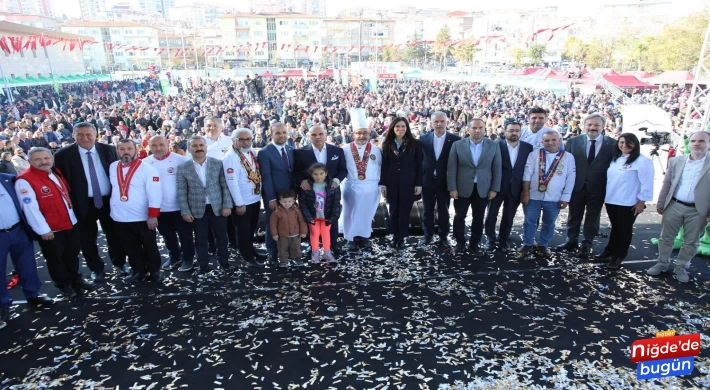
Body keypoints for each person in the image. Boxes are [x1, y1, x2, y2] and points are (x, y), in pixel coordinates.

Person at [14, 147, 95, 298]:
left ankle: (76, 280)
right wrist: (43, 230)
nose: (44, 162)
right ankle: (64, 285)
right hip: (51, 229)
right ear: (30, 161)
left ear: (52, 159)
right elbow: (30, 209)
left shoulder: (55, 172)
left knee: (72, 255)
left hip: (70, 223)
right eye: (38, 159)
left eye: (46, 158)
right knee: (56, 259)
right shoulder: (25, 180)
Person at [54, 122, 129, 281]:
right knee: (87, 238)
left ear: (96, 135)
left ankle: (120, 263)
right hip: (82, 203)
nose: (85, 138)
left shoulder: (109, 150)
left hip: (109, 200)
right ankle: (96, 268)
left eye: (89, 134)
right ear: (73, 136)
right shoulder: (62, 155)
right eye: (80, 135)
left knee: (114, 234)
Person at [647, 131, 710, 283]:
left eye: (701, 141)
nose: (696, 144)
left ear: (708, 143)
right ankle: (661, 264)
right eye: (694, 141)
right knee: (665, 238)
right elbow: (667, 183)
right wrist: (661, 203)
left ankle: (681, 267)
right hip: (674, 205)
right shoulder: (676, 161)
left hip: (699, 210)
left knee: (691, 242)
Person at [556, 113, 615, 258]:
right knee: (573, 216)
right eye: (589, 125)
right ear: (584, 126)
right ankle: (571, 241)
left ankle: (587, 243)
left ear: (603, 127)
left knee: (593, 218)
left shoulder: (613, 144)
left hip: (598, 188)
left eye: (596, 125)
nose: (592, 128)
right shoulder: (573, 141)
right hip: (576, 186)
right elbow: (565, 164)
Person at [1, 171, 54, 324]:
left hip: (18, 230)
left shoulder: (8, 179)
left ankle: (33, 293)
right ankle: (3, 304)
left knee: (27, 264)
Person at [109, 140, 164, 283]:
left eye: (129, 148)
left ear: (136, 150)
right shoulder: (113, 166)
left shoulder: (147, 168)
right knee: (130, 247)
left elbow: (155, 193)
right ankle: (138, 271)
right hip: (120, 217)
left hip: (142, 216)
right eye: (122, 149)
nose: (125, 152)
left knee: (149, 245)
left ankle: (154, 271)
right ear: (117, 151)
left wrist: (153, 215)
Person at [177, 136, 233, 273]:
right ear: (189, 149)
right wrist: (185, 211)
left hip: (218, 207)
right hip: (196, 209)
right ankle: (203, 265)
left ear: (206, 147)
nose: (199, 148)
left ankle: (224, 262)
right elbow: (182, 191)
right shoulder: (183, 168)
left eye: (201, 145)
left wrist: (227, 205)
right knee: (201, 239)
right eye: (195, 146)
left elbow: (224, 186)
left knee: (222, 238)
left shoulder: (217, 163)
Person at [597, 133, 654, 269]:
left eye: (629, 143)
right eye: (622, 142)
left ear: (635, 145)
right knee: (615, 227)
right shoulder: (615, 159)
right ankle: (610, 250)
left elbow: (647, 183)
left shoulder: (642, 161)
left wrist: (641, 201)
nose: (625, 146)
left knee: (624, 229)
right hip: (612, 199)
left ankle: (619, 255)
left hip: (628, 202)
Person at [447, 118, 502, 255]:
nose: (477, 131)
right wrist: (452, 188)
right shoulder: (458, 145)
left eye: (480, 128)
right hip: (462, 188)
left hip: (483, 188)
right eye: (474, 128)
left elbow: (497, 168)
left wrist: (494, 188)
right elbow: (451, 168)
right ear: (468, 129)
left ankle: (474, 244)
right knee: (459, 217)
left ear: (485, 129)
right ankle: (460, 243)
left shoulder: (493, 145)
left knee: (479, 217)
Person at [519, 130, 576, 256]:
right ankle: (528, 243)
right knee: (529, 221)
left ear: (559, 140)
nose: (550, 143)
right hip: (533, 196)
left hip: (555, 198)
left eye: (553, 140)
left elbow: (571, 179)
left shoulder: (568, 157)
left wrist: (565, 197)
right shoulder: (534, 155)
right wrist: (525, 194)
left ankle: (543, 244)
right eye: (547, 140)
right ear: (542, 142)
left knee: (549, 223)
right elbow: (527, 175)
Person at [294, 125, 347, 253]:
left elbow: (343, 170)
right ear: (309, 136)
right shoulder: (300, 152)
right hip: (309, 193)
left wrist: (336, 180)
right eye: (314, 135)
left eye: (320, 134)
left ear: (325, 135)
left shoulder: (337, 151)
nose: (317, 137)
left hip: (331, 191)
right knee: (310, 219)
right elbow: (295, 171)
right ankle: (312, 246)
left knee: (331, 218)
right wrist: (302, 180)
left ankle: (332, 244)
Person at [144, 135, 194, 271]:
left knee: (185, 235)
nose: (158, 148)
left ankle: (188, 258)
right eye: (154, 145)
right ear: (149, 146)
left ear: (168, 144)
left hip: (180, 207)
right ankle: (174, 257)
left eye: (161, 144)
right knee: (167, 234)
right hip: (159, 209)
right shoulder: (145, 163)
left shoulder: (181, 160)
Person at [484, 121, 533, 252]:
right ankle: (490, 239)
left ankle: (503, 240)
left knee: (509, 216)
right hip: (497, 187)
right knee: (491, 215)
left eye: (517, 130)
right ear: (505, 132)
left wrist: (525, 190)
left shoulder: (528, 148)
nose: (514, 133)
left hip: (516, 188)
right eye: (511, 130)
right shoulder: (496, 146)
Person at [223, 128, 267, 267]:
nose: (246, 142)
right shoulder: (231, 158)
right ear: (234, 141)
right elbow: (232, 183)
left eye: (248, 139)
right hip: (242, 202)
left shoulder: (251, 152)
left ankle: (251, 250)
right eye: (242, 139)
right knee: (242, 231)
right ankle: (247, 256)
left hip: (254, 199)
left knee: (251, 228)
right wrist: (239, 203)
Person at [340, 108, 383, 251]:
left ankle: (364, 237)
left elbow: (382, 168)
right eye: (359, 132)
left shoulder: (376, 150)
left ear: (369, 133)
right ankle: (350, 239)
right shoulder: (345, 149)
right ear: (353, 134)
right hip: (351, 186)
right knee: (349, 213)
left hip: (371, 187)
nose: (362, 135)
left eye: (365, 132)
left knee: (366, 213)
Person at [379, 117, 423, 250]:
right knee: (393, 210)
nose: (400, 129)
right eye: (397, 126)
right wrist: (383, 184)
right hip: (391, 182)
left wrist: (418, 184)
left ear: (407, 128)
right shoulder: (387, 144)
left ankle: (402, 237)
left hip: (408, 182)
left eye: (403, 126)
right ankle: (394, 235)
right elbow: (384, 166)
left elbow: (419, 165)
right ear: (393, 128)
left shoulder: (415, 144)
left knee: (405, 210)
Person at [419, 111, 460, 247]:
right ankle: (428, 235)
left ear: (447, 122)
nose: (439, 124)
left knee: (444, 210)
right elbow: (419, 160)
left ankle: (443, 236)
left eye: (442, 121)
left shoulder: (455, 140)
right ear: (431, 123)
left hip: (445, 181)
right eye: (436, 122)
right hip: (428, 181)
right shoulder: (423, 138)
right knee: (427, 210)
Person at [257, 122, 295, 263]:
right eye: (278, 133)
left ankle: (287, 251)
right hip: (273, 196)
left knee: (288, 222)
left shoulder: (291, 149)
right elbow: (266, 177)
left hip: (289, 197)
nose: (282, 135)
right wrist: (271, 198)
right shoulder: (265, 152)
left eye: (284, 132)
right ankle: (272, 253)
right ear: (271, 134)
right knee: (272, 224)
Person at [299, 163, 342, 263]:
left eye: (321, 173)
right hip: (314, 217)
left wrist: (334, 216)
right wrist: (308, 217)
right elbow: (303, 203)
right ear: (311, 174)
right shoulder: (307, 187)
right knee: (314, 234)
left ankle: (327, 252)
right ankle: (315, 252)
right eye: (315, 174)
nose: (319, 177)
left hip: (326, 216)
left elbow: (336, 202)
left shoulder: (333, 186)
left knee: (326, 233)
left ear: (326, 173)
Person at [270, 189, 308, 267]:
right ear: (280, 201)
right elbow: (273, 223)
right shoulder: (276, 211)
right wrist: (274, 234)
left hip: (296, 234)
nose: (287, 204)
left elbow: (302, 221)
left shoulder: (297, 210)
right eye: (284, 202)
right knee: (282, 249)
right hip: (282, 235)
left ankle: (297, 258)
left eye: (289, 201)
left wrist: (303, 232)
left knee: (296, 247)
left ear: (294, 201)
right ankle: (283, 261)